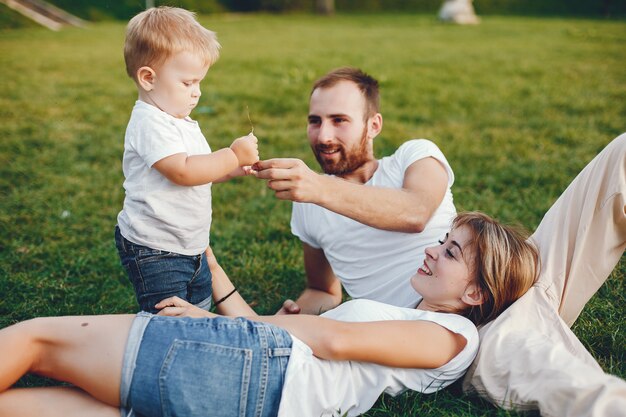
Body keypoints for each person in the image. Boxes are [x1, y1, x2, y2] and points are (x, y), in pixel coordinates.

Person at [0, 212, 540, 417]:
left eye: (450, 253)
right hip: (253, 384)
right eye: (442, 241)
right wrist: (209, 261)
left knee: (36, 340)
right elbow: (302, 334)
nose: (432, 250)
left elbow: (331, 342)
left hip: (260, 374)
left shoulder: (453, 338)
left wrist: (214, 325)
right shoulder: (416, 320)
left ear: (475, 294)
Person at [254, 67, 457, 314]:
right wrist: (293, 316)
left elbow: (416, 213)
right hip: (390, 329)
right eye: (315, 121)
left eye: (339, 120)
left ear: (373, 126)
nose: (323, 137)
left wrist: (320, 187)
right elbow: (323, 290)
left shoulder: (415, 155)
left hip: (467, 303)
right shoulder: (308, 202)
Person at [462, 133, 626, 416]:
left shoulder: (408, 162)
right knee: (583, 392)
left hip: (519, 270)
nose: (430, 251)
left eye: (443, 246)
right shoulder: (487, 343)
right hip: (488, 330)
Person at [115, 7, 259, 313]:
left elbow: (199, 168)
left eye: (199, 83)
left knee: (197, 307)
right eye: (187, 83)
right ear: (148, 78)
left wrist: (231, 170)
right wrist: (231, 154)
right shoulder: (150, 123)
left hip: (188, 244)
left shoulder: (179, 119)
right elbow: (182, 171)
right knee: (170, 318)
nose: (197, 93)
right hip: (155, 248)